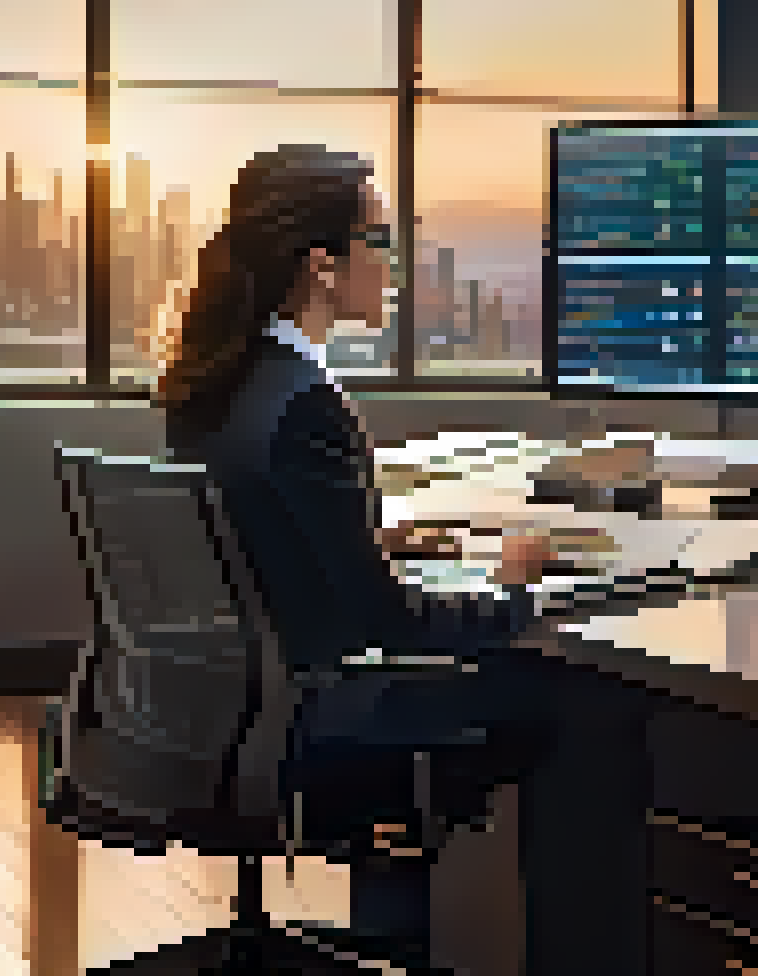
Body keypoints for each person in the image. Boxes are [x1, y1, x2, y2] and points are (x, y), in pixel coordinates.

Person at [157, 144, 569, 961]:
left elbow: (259, 545)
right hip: (316, 715)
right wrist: (515, 595)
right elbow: (387, 622)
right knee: (557, 689)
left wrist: (363, 543)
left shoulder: (218, 380)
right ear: (322, 266)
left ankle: (410, 927)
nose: (395, 267)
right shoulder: (307, 402)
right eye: (380, 243)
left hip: (239, 710)